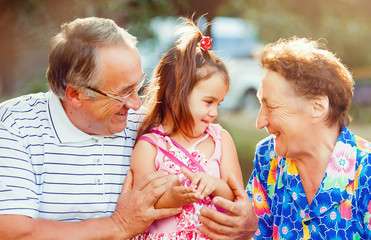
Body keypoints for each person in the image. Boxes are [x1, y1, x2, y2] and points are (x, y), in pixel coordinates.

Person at [0, 16, 258, 239]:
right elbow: (12, 231)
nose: (137, 104)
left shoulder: (149, 126)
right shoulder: (17, 126)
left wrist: (245, 222)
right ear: (75, 95)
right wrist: (117, 226)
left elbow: (229, 193)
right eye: (124, 92)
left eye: (138, 85)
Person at [130, 18, 244, 239]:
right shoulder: (150, 146)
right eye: (208, 102)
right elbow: (141, 202)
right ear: (175, 94)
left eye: (218, 104)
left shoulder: (221, 140)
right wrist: (171, 197)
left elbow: (237, 197)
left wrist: (216, 184)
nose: (214, 112)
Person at [246, 37, 371, 239]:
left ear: (318, 108)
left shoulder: (367, 172)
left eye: (270, 106)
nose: (260, 122)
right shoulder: (268, 157)